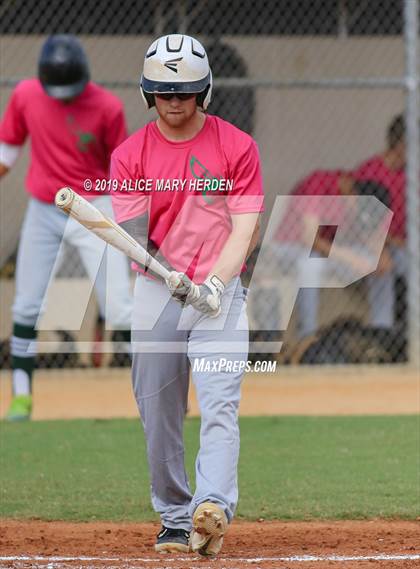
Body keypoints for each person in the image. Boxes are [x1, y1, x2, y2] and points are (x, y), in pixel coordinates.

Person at [110, 34, 263, 555]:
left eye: (186, 91)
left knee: (221, 403)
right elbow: (133, 235)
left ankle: (213, 506)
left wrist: (215, 283)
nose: (175, 101)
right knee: (158, 413)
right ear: (148, 93)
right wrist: (169, 273)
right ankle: (175, 516)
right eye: (164, 92)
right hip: (158, 293)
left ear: (206, 91)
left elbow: (244, 228)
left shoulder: (237, 145)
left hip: (220, 294)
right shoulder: (130, 155)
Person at [0, 35, 133, 421]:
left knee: (119, 309)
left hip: (94, 207)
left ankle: (155, 396)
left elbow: (121, 170)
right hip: (44, 209)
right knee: (26, 304)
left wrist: (128, 223)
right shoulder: (25, 95)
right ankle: (21, 397)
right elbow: (7, 152)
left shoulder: (108, 106)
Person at [271, 170, 391, 339]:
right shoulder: (317, 184)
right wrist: (352, 259)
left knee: (379, 265)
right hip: (291, 248)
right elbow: (310, 239)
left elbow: (371, 236)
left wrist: (382, 254)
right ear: (352, 194)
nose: (358, 215)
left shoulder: (366, 196)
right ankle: (307, 336)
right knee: (310, 262)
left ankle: (382, 333)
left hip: (329, 254)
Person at [354, 114, 406, 331]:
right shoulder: (371, 171)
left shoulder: (412, 173)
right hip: (369, 244)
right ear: (403, 144)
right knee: (381, 263)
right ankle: (381, 333)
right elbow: (360, 225)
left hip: (402, 247)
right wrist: (386, 245)